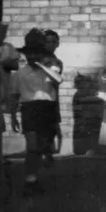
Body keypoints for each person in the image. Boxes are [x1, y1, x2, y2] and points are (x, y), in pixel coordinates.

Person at [9, 28, 63, 197]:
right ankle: (30, 180)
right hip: (30, 109)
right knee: (32, 146)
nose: (32, 57)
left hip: (47, 108)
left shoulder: (52, 67)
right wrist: (12, 117)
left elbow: (58, 80)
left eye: (36, 53)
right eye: (29, 53)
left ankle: (35, 175)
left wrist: (42, 65)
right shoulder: (19, 74)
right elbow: (14, 96)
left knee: (41, 146)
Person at [43, 29, 62, 167]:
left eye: (53, 42)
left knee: (51, 127)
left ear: (57, 44)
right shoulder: (35, 59)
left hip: (51, 98)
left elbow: (53, 81)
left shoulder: (57, 62)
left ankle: (47, 153)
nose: (50, 44)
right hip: (34, 98)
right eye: (47, 41)